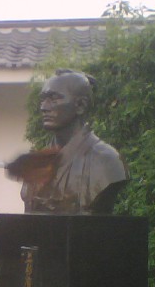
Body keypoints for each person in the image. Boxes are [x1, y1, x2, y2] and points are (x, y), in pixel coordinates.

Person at [20, 69, 129, 214]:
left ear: (80, 105)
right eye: (43, 99)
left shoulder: (107, 161)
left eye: (54, 98)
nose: (43, 107)